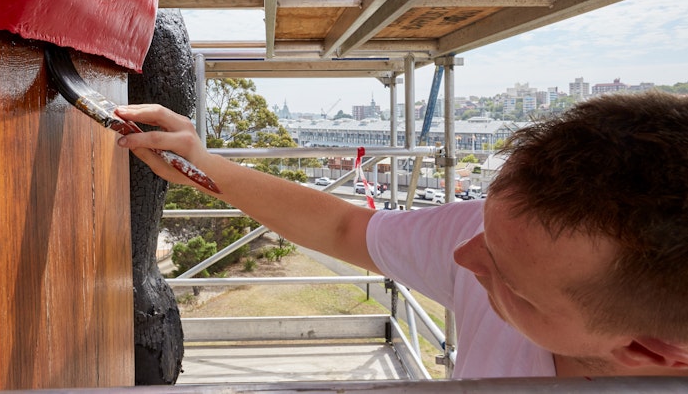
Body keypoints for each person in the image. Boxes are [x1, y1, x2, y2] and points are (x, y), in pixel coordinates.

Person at [115, 91, 688, 379]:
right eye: (485, 223)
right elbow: (345, 226)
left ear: (647, 350)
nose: (464, 256)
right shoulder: (503, 239)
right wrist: (203, 164)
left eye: (508, 277)